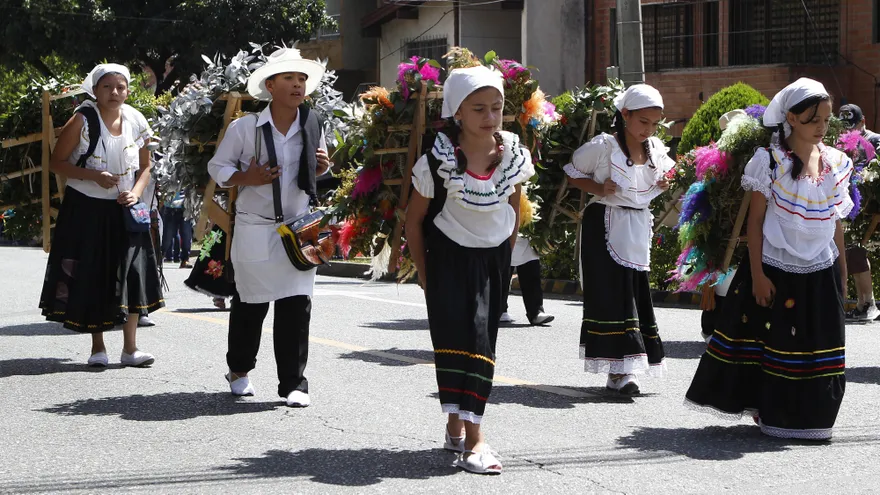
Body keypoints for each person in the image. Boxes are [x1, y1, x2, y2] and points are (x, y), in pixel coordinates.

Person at [686, 78, 850, 440]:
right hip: (777, 268)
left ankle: (815, 417)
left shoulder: (837, 162)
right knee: (776, 344)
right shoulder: (769, 161)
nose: (822, 127)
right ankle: (774, 413)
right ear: (791, 117)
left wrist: (841, 273)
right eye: (813, 120)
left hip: (821, 269)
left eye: (825, 119)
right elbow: (755, 224)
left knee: (819, 343)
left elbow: (835, 222)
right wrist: (758, 275)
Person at [406, 65, 535, 475]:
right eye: (478, 108)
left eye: (496, 108)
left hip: (492, 259)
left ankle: (467, 431)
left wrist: (505, 257)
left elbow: (514, 208)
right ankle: (465, 433)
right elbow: (414, 221)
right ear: (456, 111)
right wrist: (425, 276)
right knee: (454, 342)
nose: (489, 116)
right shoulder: (438, 160)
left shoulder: (512, 154)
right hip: (447, 258)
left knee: (482, 342)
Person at [207, 48, 331, 407]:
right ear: (270, 85)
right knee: (250, 305)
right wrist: (249, 176)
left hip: (299, 231)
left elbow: (315, 171)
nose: (298, 84)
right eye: (290, 78)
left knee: (296, 306)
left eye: (302, 79)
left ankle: (294, 384)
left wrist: (321, 167)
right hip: (255, 228)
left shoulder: (312, 122)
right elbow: (218, 168)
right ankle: (239, 369)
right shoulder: (245, 128)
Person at [38, 63, 163, 367]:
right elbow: (57, 163)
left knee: (132, 275)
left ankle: (130, 349)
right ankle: (98, 347)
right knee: (95, 274)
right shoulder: (82, 120)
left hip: (126, 208)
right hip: (87, 208)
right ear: (95, 91)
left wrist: (136, 191)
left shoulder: (135, 119)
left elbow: (146, 166)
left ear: (128, 91)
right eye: (107, 87)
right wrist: (93, 176)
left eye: (120, 87)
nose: (114, 92)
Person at [563, 84, 673, 395]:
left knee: (635, 292)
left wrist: (665, 182)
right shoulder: (603, 146)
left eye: (653, 124)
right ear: (624, 115)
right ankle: (618, 371)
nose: (647, 130)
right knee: (612, 294)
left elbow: (667, 175)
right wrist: (598, 189)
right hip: (605, 224)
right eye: (642, 122)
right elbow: (572, 172)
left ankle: (629, 366)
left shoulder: (655, 149)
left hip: (637, 226)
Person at [838, 104, 880, 322]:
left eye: (853, 126)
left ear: (863, 121)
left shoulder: (874, 140)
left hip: (867, 206)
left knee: (856, 251)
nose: (848, 131)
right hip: (851, 205)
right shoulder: (840, 143)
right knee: (853, 252)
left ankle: (868, 303)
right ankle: (864, 302)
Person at [500, 193, 554, 326]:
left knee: (531, 268)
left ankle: (535, 312)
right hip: (504, 221)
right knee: (502, 271)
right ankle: (499, 309)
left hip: (526, 223)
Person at [162, 189, 193, 268]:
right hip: (170, 208)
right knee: (167, 237)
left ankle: (185, 260)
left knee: (186, 236)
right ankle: (160, 258)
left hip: (185, 208)